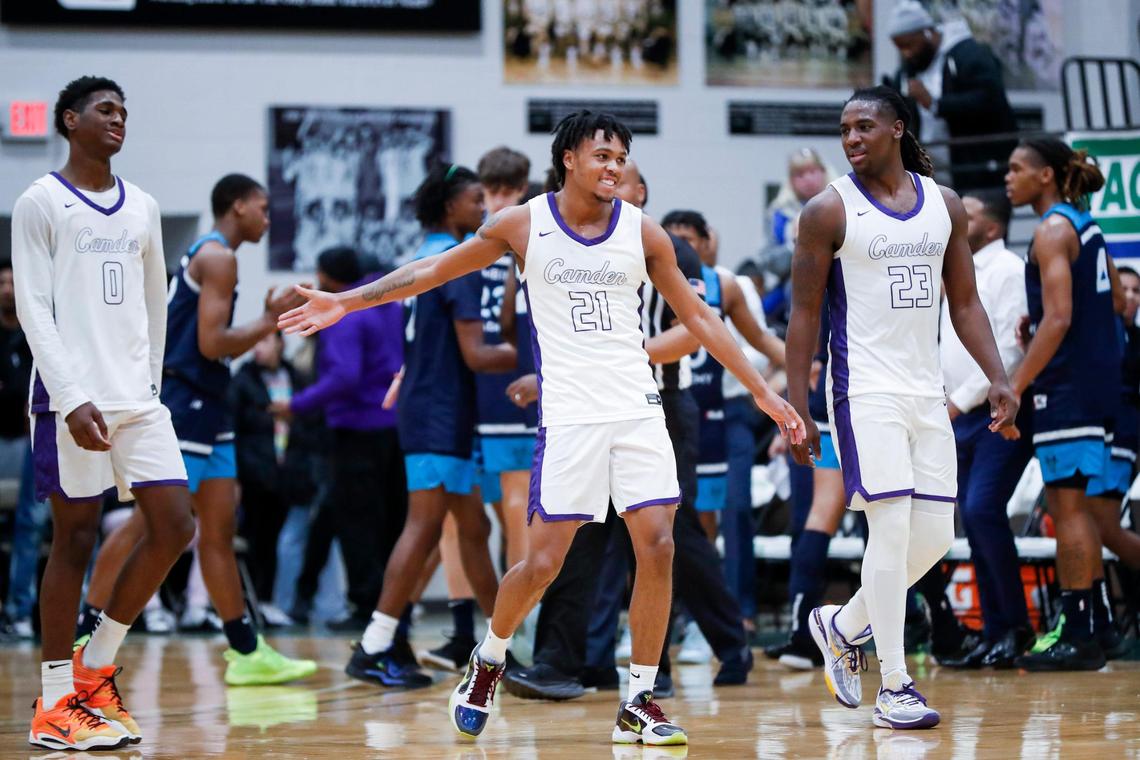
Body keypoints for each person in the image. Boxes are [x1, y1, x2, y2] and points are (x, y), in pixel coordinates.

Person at [280, 111, 803, 747]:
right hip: (570, 415)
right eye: (602, 156)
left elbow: (700, 317)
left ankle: (639, 697)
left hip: (638, 406)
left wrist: (762, 391)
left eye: (621, 159)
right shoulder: (522, 223)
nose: (614, 168)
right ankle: (491, 656)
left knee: (659, 544)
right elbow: (431, 272)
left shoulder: (643, 233)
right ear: (568, 161)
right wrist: (347, 301)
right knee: (542, 564)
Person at [786, 86, 1017, 730]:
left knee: (936, 538)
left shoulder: (943, 205)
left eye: (864, 126)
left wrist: (997, 376)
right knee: (888, 529)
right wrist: (795, 406)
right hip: (863, 390)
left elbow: (965, 302)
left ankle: (843, 623)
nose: (852, 138)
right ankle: (894, 682)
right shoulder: (827, 211)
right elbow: (804, 315)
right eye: (844, 129)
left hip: (926, 392)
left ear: (897, 128)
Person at [14, 75, 197, 750]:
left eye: (124, 110)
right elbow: (33, 309)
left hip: (136, 399)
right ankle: (55, 703)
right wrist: (71, 396)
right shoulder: (40, 202)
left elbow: (156, 301)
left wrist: (147, 387)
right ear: (70, 121)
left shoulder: (143, 206)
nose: (119, 120)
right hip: (70, 397)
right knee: (75, 539)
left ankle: (96, 667)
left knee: (176, 524)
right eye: (105, 110)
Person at [81, 172, 317, 686]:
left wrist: (263, 318)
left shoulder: (210, 256)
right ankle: (86, 629)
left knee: (218, 529)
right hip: (185, 400)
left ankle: (245, 649)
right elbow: (213, 344)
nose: (267, 217)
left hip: (211, 402)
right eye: (261, 207)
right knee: (151, 524)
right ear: (236, 207)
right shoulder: (218, 257)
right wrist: (274, 318)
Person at [340, 164, 512, 689]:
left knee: (475, 531)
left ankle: (497, 651)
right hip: (438, 410)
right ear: (449, 205)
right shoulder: (456, 262)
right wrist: (534, 358)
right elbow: (476, 353)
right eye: (475, 199)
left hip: (437, 406)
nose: (483, 208)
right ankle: (373, 645)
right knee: (424, 526)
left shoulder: (426, 253)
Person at [1004, 138, 1121, 670]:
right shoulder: (1087, 225)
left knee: (1065, 506)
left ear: (1045, 175)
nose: (1009, 178)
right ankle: (1096, 623)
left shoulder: (1051, 229)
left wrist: (1017, 382)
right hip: (1098, 382)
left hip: (1067, 385)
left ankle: (1077, 632)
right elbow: (1116, 300)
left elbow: (1059, 318)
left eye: (1017, 169)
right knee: (1080, 507)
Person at [423, 146, 534, 670]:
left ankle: (521, 629)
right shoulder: (466, 250)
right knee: (455, 520)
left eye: (511, 191)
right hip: (464, 393)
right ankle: (463, 627)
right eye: (491, 191)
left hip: (512, 389)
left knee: (514, 510)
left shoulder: (529, 238)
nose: (499, 201)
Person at [277, 246, 405, 630]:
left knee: (356, 523)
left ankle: (365, 607)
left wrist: (296, 404)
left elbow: (344, 376)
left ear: (330, 278)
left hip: (355, 430)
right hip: (393, 427)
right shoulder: (394, 307)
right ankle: (391, 609)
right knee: (388, 522)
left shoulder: (347, 315)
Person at [935, 189, 1035, 669]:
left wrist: (956, 403)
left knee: (982, 509)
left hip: (998, 409)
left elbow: (1010, 354)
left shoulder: (1008, 270)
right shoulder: (956, 272)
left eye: (967, 215)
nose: (956, 219)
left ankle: (1015, 628)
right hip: (961, 412)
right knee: (973, 518)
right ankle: (994, 631)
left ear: (991, 227)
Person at [230, 330, 319, 616]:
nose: (258, 348)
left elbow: (310, 425)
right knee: (256, 540)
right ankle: (255, 605)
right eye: (254, 341)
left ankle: (275, 603)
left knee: (282, 541)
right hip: (255, 476)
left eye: (265, 341)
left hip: (289, 476)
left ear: (281, 343)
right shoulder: (242, 381)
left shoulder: (298, 378)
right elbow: (235, 431)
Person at [885, 1, 1017, 191]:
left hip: (975, 165)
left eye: (909, 45)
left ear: (927, 32)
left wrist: (936, 104)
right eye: (901, 48)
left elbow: (990, 99)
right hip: (931, 167)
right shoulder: (910, 69)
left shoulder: (970, 55)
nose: (907, 53)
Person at [1, 258, 47, 640]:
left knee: (32, 525)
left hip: (34, 440)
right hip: (5, 441)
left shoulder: (36, 335)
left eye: (13, 282)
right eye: (2, 282)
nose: (8, 289)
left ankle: (20, 611)